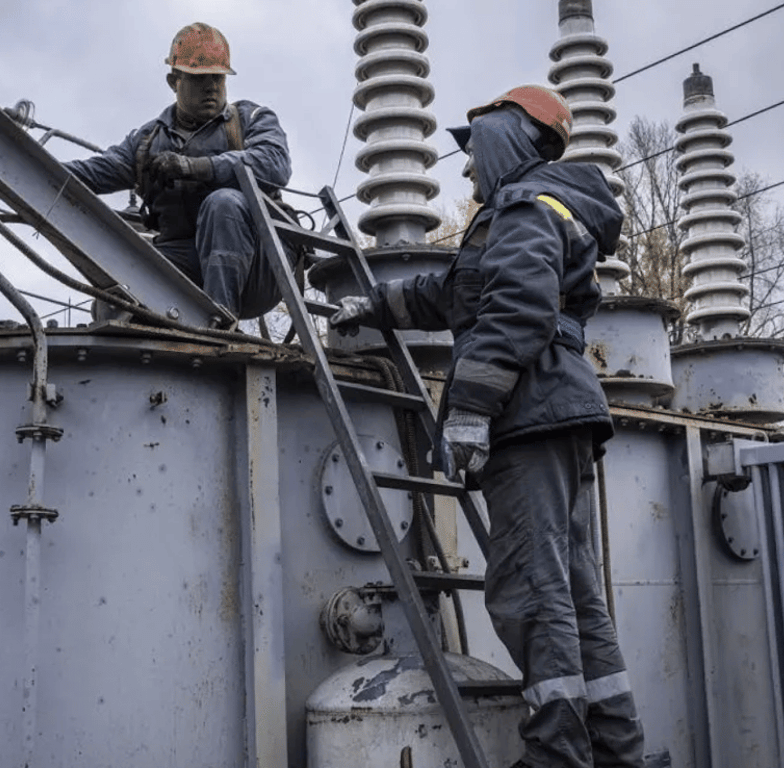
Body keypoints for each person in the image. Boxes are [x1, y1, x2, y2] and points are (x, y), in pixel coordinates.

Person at [329, 85, 645, 768]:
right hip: (557, 408)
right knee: (573, 588)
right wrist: (373, 307)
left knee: (531, 586)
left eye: (476, 153)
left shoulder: (526, 208)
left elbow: (517, 312)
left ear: (512, 134)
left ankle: (558, 753)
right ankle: (615, 747)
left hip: (528, 412)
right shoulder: (530, 211)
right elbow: (453, 294)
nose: (468, 171)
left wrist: (471, 408)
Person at [62, 22, 292, 320]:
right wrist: (14, 170)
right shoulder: (148, 143)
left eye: (217, 77)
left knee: (223, 203)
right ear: (174, 81)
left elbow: (275, 163)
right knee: (117, 293)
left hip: (261, 265)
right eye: (200, 78)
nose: (211, 86)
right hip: (188, 260)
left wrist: (199, 167)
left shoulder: (250, 119)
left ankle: (219, 329)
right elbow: (93, 173)